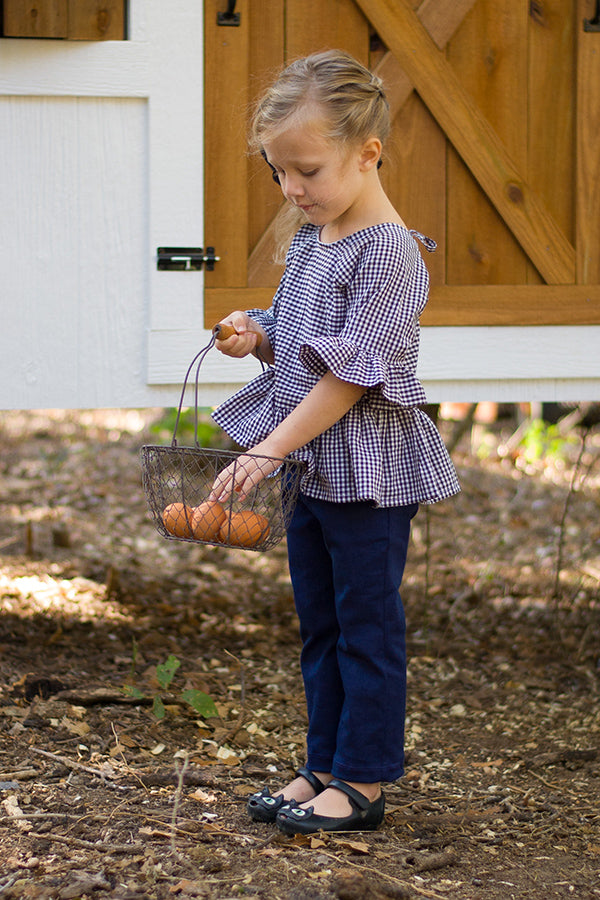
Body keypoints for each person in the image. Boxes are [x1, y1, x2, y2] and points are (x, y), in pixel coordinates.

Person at [210, 50, 460, 835]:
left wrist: (268, 448)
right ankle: (322, 762)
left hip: (370, 475)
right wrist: (260, 335)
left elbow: (351, 377)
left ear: (368, 153)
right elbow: (312, 341)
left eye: (307, 171)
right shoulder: (316, 238)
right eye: (278, 172)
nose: (292, 190)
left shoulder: (389, 252)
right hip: (315, 467)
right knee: (320, 622)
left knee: (366, 626)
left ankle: (364, 777)